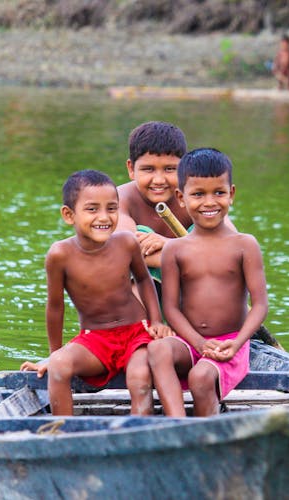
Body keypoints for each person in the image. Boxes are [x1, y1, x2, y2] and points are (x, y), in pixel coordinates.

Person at [20, 169, 174, 416]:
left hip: (136, 334)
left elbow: (145, 280)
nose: (104, 217)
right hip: (95, 340)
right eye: (92, 209)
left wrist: (156, 321)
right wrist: (54, 353)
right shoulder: (60, 255)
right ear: (69, 215)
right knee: (59, 366)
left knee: (139, 377)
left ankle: (137, 434)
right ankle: (62, 433)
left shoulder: (126, 243)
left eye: (111, 208)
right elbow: (55, 307)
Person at [148, 148, 269, 417]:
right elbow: (171, 309)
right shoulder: (175, 250)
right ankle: (177, 424)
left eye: (218, 192)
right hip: (190, 341)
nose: (209, 202)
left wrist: (236, 343)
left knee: (201, 378)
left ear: (231, 194)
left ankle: (206, 432)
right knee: (157, 350)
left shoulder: (244, 245)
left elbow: (260, 305)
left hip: (230, 343)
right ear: (181, 197)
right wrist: (199, 343)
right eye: (198, 194)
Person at [116, 121, 191, 285]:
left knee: (204, 230)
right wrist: (195, 254)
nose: (158, 180)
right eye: (148, 169)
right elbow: (127, 250)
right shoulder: (118, 199)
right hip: (138, 296)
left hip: (189, 294)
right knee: (137, 238)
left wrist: (169, 244)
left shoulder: (197, 199)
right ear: (131, 168)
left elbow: (230, 244)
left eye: (170, 169)